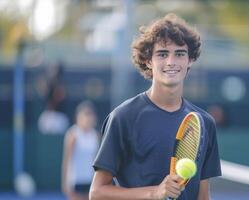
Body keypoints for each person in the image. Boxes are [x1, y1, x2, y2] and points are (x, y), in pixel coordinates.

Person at [90, 13, 221, 200]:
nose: (171, 62)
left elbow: (203, 195)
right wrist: (155, 192)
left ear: (190, 60)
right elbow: (96, 193)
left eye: (180, 54)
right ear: (148, 61)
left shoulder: (204, 123)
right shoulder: (123, 117)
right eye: (162, 54)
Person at [62, 101, 100, 200]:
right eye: (85, 114)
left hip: (91, 180)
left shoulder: (95, 136)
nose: (88, 118)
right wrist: (65, 182)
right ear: (78, 117)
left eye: (90, 115)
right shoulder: (73, 135)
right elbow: (67, 160)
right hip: (76, 181)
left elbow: (97, 160)